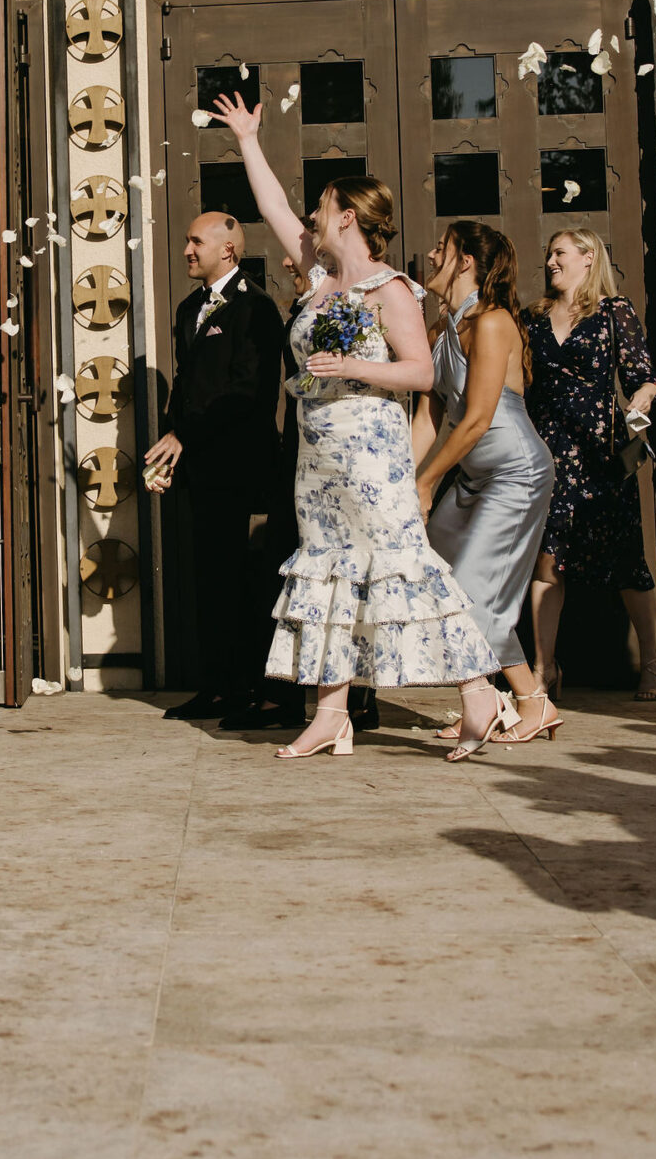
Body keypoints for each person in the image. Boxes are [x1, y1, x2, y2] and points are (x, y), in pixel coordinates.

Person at [209, 94, 504, 758]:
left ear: (345, 216)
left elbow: (421, 373)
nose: (310, 218)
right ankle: (329, 713)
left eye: (321, 209)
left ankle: (477, 690)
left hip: (372, 456)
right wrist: (247, 140)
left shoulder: (389, 289)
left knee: (404, 566)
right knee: (327, 576)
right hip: (317, 460)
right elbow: (273, 210)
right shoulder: (320, 279)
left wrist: (350, 364)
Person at [144, 210, 293, 730]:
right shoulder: (188, 309)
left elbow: (249, 392)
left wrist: (188, 434)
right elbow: (185, 387)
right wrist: (170, 448)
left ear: (227, 250)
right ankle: (218, 686)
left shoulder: (257, 308)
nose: (186, 250)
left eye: (195, 242)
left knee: (248, 582)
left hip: (246, 468)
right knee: (210, 580)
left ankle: (259, 690)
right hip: (201, 470)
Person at [415, 222, 558, 753]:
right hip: (476, 479)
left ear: (466, 261)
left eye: (442, 249)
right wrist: (409, 486)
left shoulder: (493, 323)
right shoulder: (439, 330)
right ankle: (529, 700)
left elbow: (475, 420)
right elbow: (429, 421)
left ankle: (495, 701)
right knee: (445, 585)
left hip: (516, 475)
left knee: (473, 591)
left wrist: (430, 481)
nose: (431, 255)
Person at [525, 229, 656, 700]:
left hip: (599, 453)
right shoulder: (537, 317)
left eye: (559, 253)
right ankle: (544, 668)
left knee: (626, 561)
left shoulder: (612, 312)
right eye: (548, 254)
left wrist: (641, 399)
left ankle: (653, 663)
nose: (550, 262)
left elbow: (643, 375)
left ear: (588, 259)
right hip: (547, 451)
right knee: (547, 563)